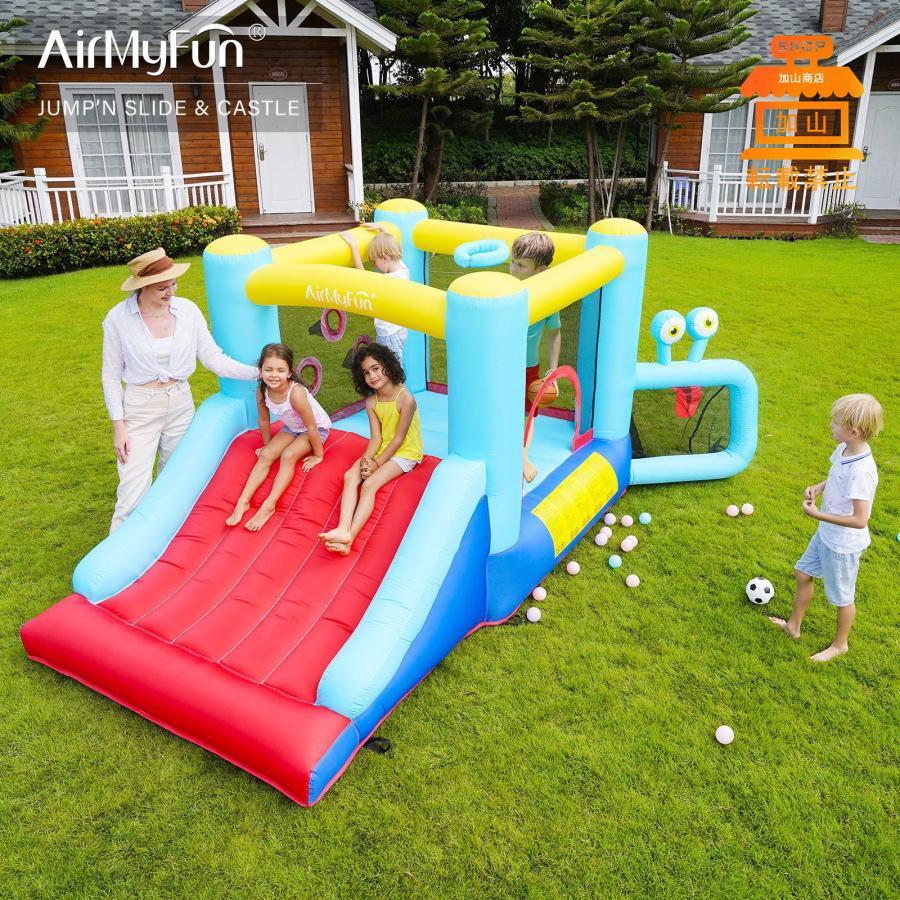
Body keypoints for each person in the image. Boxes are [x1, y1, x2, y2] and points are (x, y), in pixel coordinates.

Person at [102, 247, 259, 533]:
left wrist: (261, 374)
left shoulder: (187, 311)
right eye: (162, 288)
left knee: (174, 482)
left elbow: (213, 358)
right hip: (139, 408)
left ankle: (161, 545)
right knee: (132, 492)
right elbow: (110, 377)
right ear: (143, 287)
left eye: (173, 284)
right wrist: (119, 427)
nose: (171, 292)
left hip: (180, 404)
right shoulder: (117, 319)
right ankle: (116, 551)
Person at [769, 393, 883, 662]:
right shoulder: (844, 449)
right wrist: (819, 488)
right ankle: (793, 627)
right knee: (802, 573)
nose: (831, 425)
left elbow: (860, 520)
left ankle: (840, 644)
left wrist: (819, 515)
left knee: (842, 598)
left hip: (842, 545)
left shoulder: (862, 471)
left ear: (853, 432)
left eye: (836, 422)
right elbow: (835, 476)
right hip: (826, 535)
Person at [318, 343, 423, 556]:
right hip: (382, 448)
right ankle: (343, 528)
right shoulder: (371, 402)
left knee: (369, 485)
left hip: (405, 452)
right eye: (366, 372)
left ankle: (350, 536)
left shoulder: (406, 399)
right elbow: (376, 438)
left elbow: (398, 439)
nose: (372, 376)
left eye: (376, 368)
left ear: (388, 366)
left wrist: (376, 464)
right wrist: (367, 460)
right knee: (350, 476)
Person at [226, 343, 332, 531]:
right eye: (268, 369)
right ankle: (243, 501)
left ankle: (269, 505)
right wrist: (267, 446)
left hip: (315, 430)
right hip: (291, 428)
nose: (274, 375)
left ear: (289, 372)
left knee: (288, 455)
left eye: (280, 370)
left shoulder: (296, 393)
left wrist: (319, 455)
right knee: (267, 455)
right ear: (261, 371)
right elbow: (264, 420)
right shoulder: (262, 391)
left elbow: (311, 426)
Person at [509, 232, 560, 482]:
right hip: (500, 366)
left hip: (528, 368)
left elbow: (555, 332)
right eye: (512, 262)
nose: (513, 269)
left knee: (528, 414)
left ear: (540, 270)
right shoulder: (504, 291)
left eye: (521, 265)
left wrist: (553, 369)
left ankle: (523, 455)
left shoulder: (547, 298)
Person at [340, 223, 410, 361]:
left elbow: (364, 278)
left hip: (389, 334)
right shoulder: (403, 269)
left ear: (385, 257)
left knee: (391, 368)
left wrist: (354, 247)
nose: (374, 264)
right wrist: (382, 231)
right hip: (397, 331)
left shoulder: (390, 280)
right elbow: (390, 247)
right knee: (390, 366)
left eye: (374, 260)